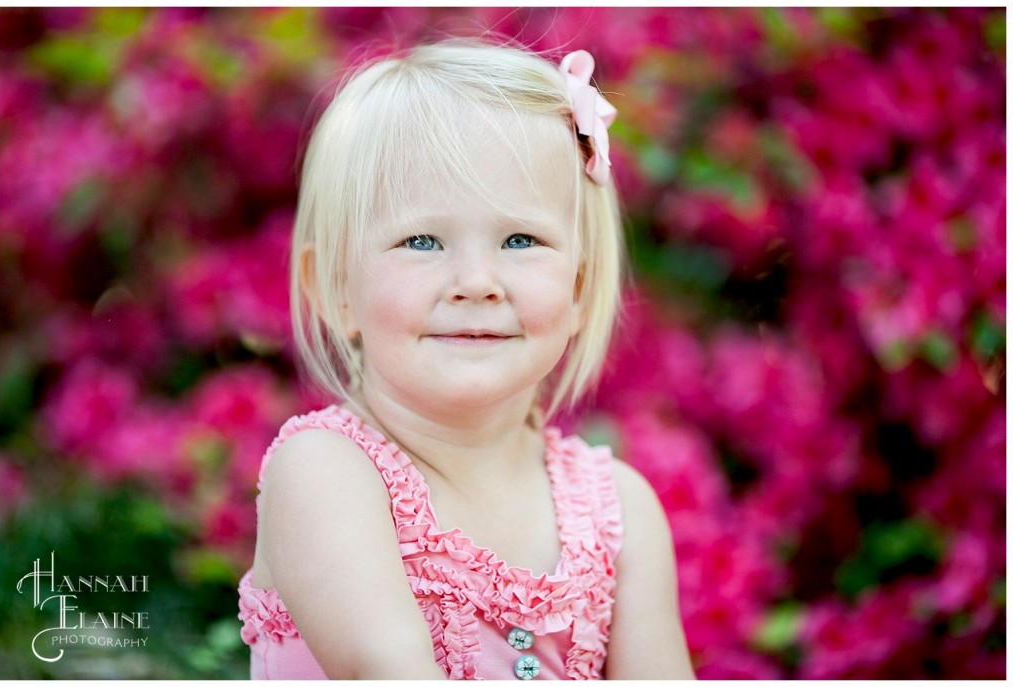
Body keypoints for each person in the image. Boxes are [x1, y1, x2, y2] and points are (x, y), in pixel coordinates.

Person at [237, 39, 695, 680]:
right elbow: (389, 670)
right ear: (337, 289)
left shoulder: (621, 512)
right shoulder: (324, 475)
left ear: (580, 288)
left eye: (520, 239)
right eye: (422, 241)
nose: (476, 280)